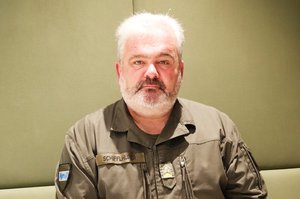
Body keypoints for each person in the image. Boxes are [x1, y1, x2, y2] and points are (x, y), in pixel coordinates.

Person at [55, 12, 267, 199]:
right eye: (138, 61)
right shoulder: (84, 139)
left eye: (164, 61)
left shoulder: (219, 128)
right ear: (120, 71)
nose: (151, 73)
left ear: (180, 70)